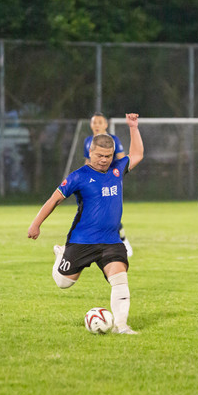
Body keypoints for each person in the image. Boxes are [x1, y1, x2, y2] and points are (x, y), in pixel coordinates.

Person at [28, 113, 144, 334]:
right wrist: (36, 224)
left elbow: (137, 153)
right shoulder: (78, 176)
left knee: (120, 279)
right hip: (82, 240)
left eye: (108, 156)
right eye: (100, 155)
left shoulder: (117, 170)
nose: (104, 160)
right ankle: (61, 255)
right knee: (64, 282)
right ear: (90, 152)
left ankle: (121, 325)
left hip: (110, 240)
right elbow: (54, 200)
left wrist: (133, 127)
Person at [84, 112, 133, 257]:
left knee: (110, 213)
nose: (97, 125)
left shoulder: (113, 140)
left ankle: (122, 239)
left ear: (106, 124)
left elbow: (122, 160)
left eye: (100, 122)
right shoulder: (88, 141)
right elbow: (87, 161)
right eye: (94, 122)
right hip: (93, 183)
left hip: (109, 181)